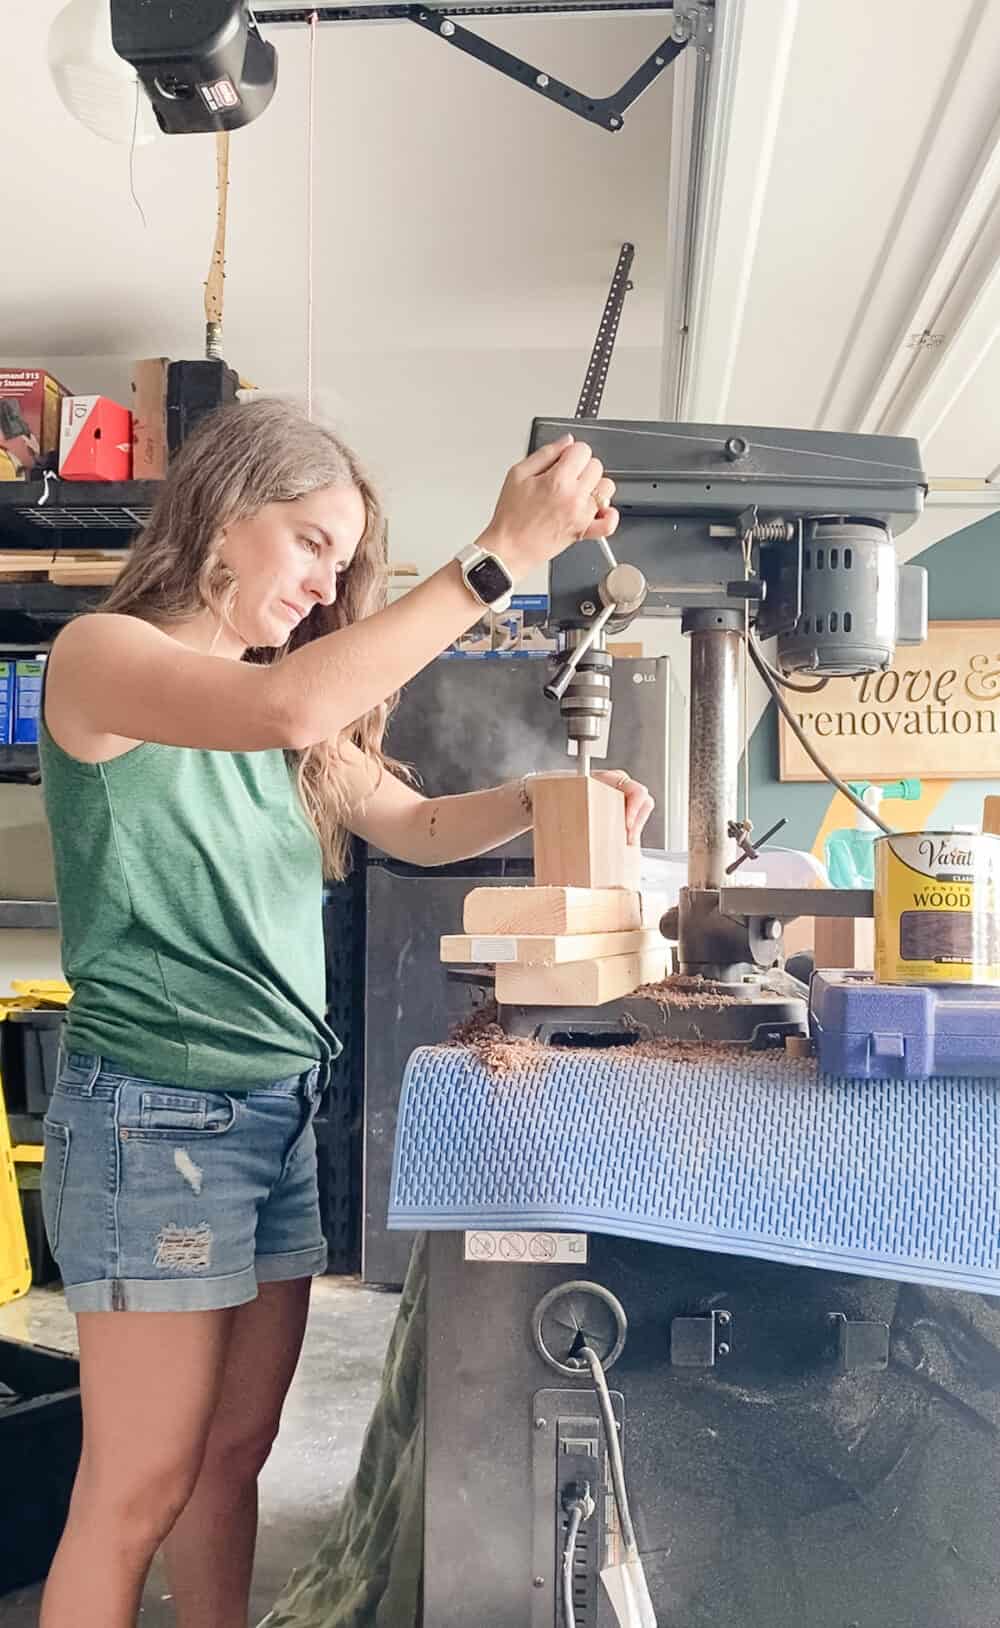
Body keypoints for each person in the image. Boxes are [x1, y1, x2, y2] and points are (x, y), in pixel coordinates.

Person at [36, 396, 654, 1628]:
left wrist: (541, 794)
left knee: (232, 1454)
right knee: (134, 1484)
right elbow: (292, 710)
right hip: (154, 1114)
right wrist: (502, 557)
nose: (325, 585)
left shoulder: (280, 705)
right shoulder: (102, 658)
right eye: (312, 541)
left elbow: (414, 824)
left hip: (273, 1108)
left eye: (341, 557)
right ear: (223, 507)